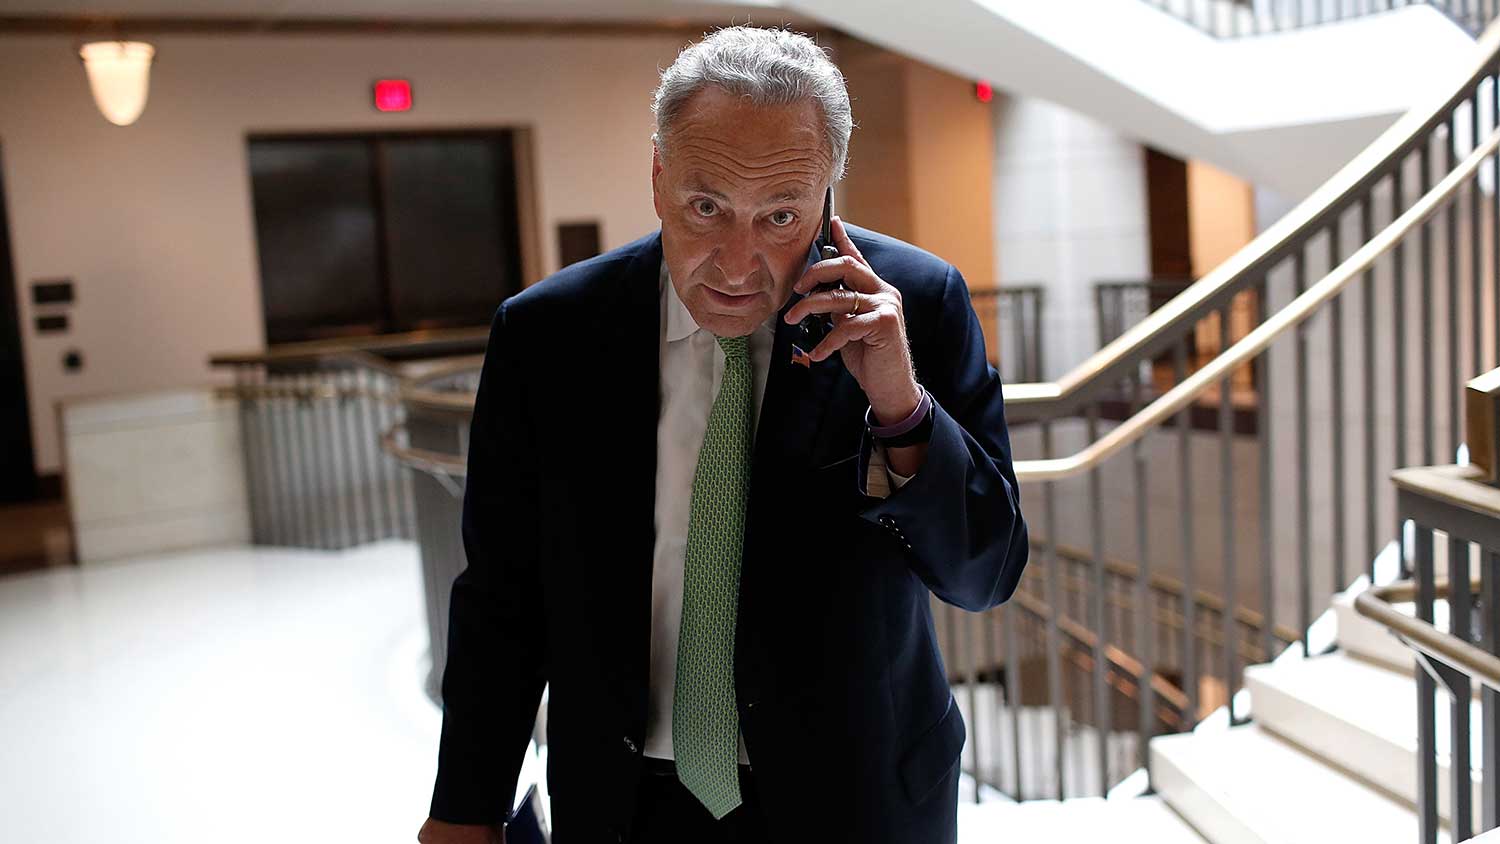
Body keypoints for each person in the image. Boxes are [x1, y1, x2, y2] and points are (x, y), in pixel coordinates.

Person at [417, 25, 1028, 844]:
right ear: (659, 174)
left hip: (856, 801)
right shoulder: (549, 335)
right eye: (707, 208)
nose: (738, 264)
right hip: (625, 802)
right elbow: (502, 596)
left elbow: (984, 576)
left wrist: (901, 405)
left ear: (827, 196)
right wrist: (464, 809)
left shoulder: (914, 305)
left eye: (780, 215)